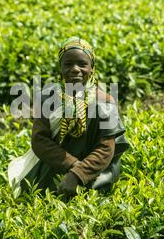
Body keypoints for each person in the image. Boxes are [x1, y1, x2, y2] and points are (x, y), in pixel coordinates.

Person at [8, 37, 130, 196]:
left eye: (82, 64)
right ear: (60, 68)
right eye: (68, 64)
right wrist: (72, 167)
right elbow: (40, 141)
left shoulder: (105, 101)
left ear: (92, 68)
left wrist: (78, 174)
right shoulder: (48, 98)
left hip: (95, 173)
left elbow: (106, 148)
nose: (74, 69)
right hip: (56, 168)